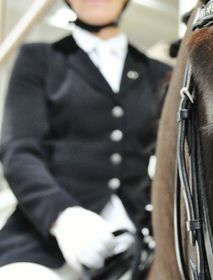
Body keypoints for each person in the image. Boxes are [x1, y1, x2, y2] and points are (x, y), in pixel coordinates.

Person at [0, 0, 171, 278]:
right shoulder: (39, 59)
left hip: (135, 238)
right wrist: (64, 217)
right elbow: (20, 152)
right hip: (43, 236)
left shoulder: (158, 73)